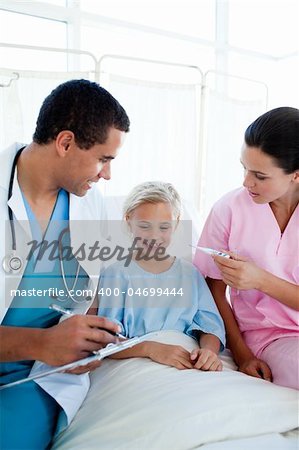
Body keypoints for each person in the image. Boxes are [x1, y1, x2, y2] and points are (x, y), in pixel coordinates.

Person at [0, 79, 130, 449]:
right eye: (104, 159)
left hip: (37, 379)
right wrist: (43, 342)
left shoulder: (92, 205)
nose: (107, 174)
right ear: (66, 143)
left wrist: (83, 340)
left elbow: (90, 291)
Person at [194, 107, 299, 390]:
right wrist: (242, 355)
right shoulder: (228, 209)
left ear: (296, 175)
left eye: (259, 176)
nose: (246, 182)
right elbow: (212, 291)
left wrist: (259, 280)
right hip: (270, 337)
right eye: (244, 168)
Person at [98, 181, 225, 371]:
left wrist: (209, 352)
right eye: (144, 226)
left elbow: (210, 326)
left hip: (186, 357)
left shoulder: (190, 274)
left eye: (164, 227)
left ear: (176, 224)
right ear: (128, 221)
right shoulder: (116, 274)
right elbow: (106, 340)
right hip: (137, 359)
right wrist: (151, 348)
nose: (154, 236)